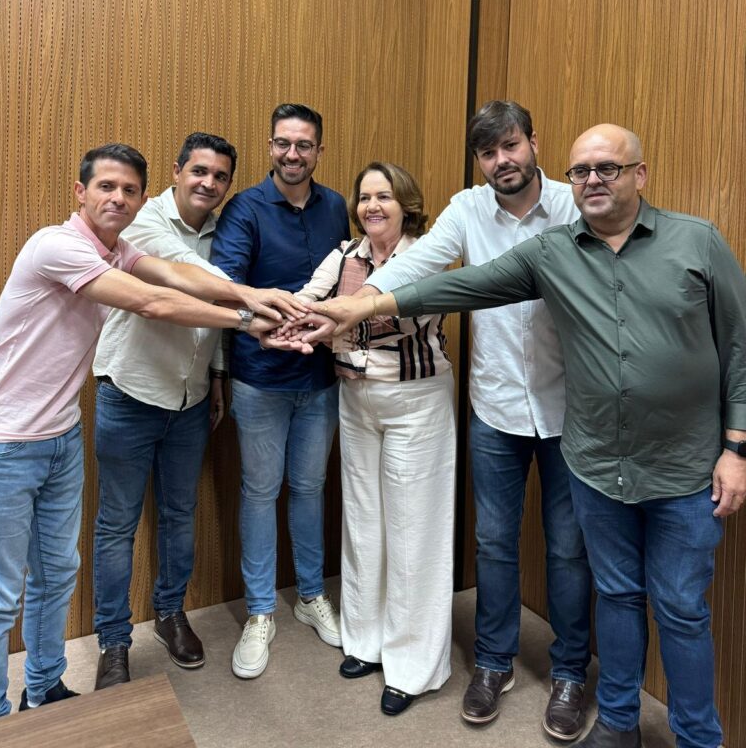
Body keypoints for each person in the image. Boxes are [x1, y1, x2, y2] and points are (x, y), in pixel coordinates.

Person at [312, 124, 746, 748]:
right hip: (592, 457)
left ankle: (693, 737)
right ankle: (615, 723)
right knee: (614, 593)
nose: (593, 181)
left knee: (679, 606)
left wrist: (735, 448)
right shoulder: (552, 251)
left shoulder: (694, 241)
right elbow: (463, 284)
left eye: (607, 168)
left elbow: (738, 345)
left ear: (640, 174)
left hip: (680, 463)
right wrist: (365, 304)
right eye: (582, 171)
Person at [0, 143, 301, 724]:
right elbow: (154, 301)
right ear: (80, 192)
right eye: (106, 187)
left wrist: (250, 294)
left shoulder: (119, 249)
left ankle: (45, 690)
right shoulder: (57, 246)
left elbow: (175, 273)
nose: (118, 198)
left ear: (141, 196)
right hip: (4, 442)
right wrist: (247, 320)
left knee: (56, 576)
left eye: (129, 190)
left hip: (61, 435)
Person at [343, 102, 592, 738]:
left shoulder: (571, 205)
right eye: (488, 153)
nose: (501, 161)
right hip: (495, 408)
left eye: (510, 146)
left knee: (568, 549)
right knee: (494, 544)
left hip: (570, 410)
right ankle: (492, 663)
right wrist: (361, 301)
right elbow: (418, 264)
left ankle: (569, 673)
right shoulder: (468, 209)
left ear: (534, 143)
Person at [285, 162, 455, 716]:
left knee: (412, 529)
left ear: (407, 204)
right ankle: (365, 641)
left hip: (415, 401)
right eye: (364, 197)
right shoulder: (344, 256)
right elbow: (308, 298)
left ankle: (411, 666)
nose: (372, 206)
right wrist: (284, 317)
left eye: (384, 196)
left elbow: (399, 319)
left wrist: (334, 324)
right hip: (355, 400)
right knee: (362, 522)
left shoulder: (425, 255)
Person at [91, 133, 238, 690]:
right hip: (130, 392)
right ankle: (113, 642)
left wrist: (218, 375)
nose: (208, 183)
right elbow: (187, 277)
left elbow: (215, 316)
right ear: (176, 172)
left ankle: (170, 614)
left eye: (220, 176)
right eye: (199, 171)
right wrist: (260, 302)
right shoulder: (143, 218)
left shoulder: (226, 231)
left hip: (191, 398)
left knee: (180, 514)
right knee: (116, 525)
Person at [210, 104, 350, 680]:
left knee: (311, 489)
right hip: (260, 378)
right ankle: (261, 611)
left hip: (319, 379)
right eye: (283, 144)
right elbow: (225, 286)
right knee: (260, 491)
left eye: (304, 145)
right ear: (271, 147)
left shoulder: (337, 206)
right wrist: (272, 318)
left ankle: (311, 596)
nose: (293, 154)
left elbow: (346, 279)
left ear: (319, 151)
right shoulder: (245, 207)